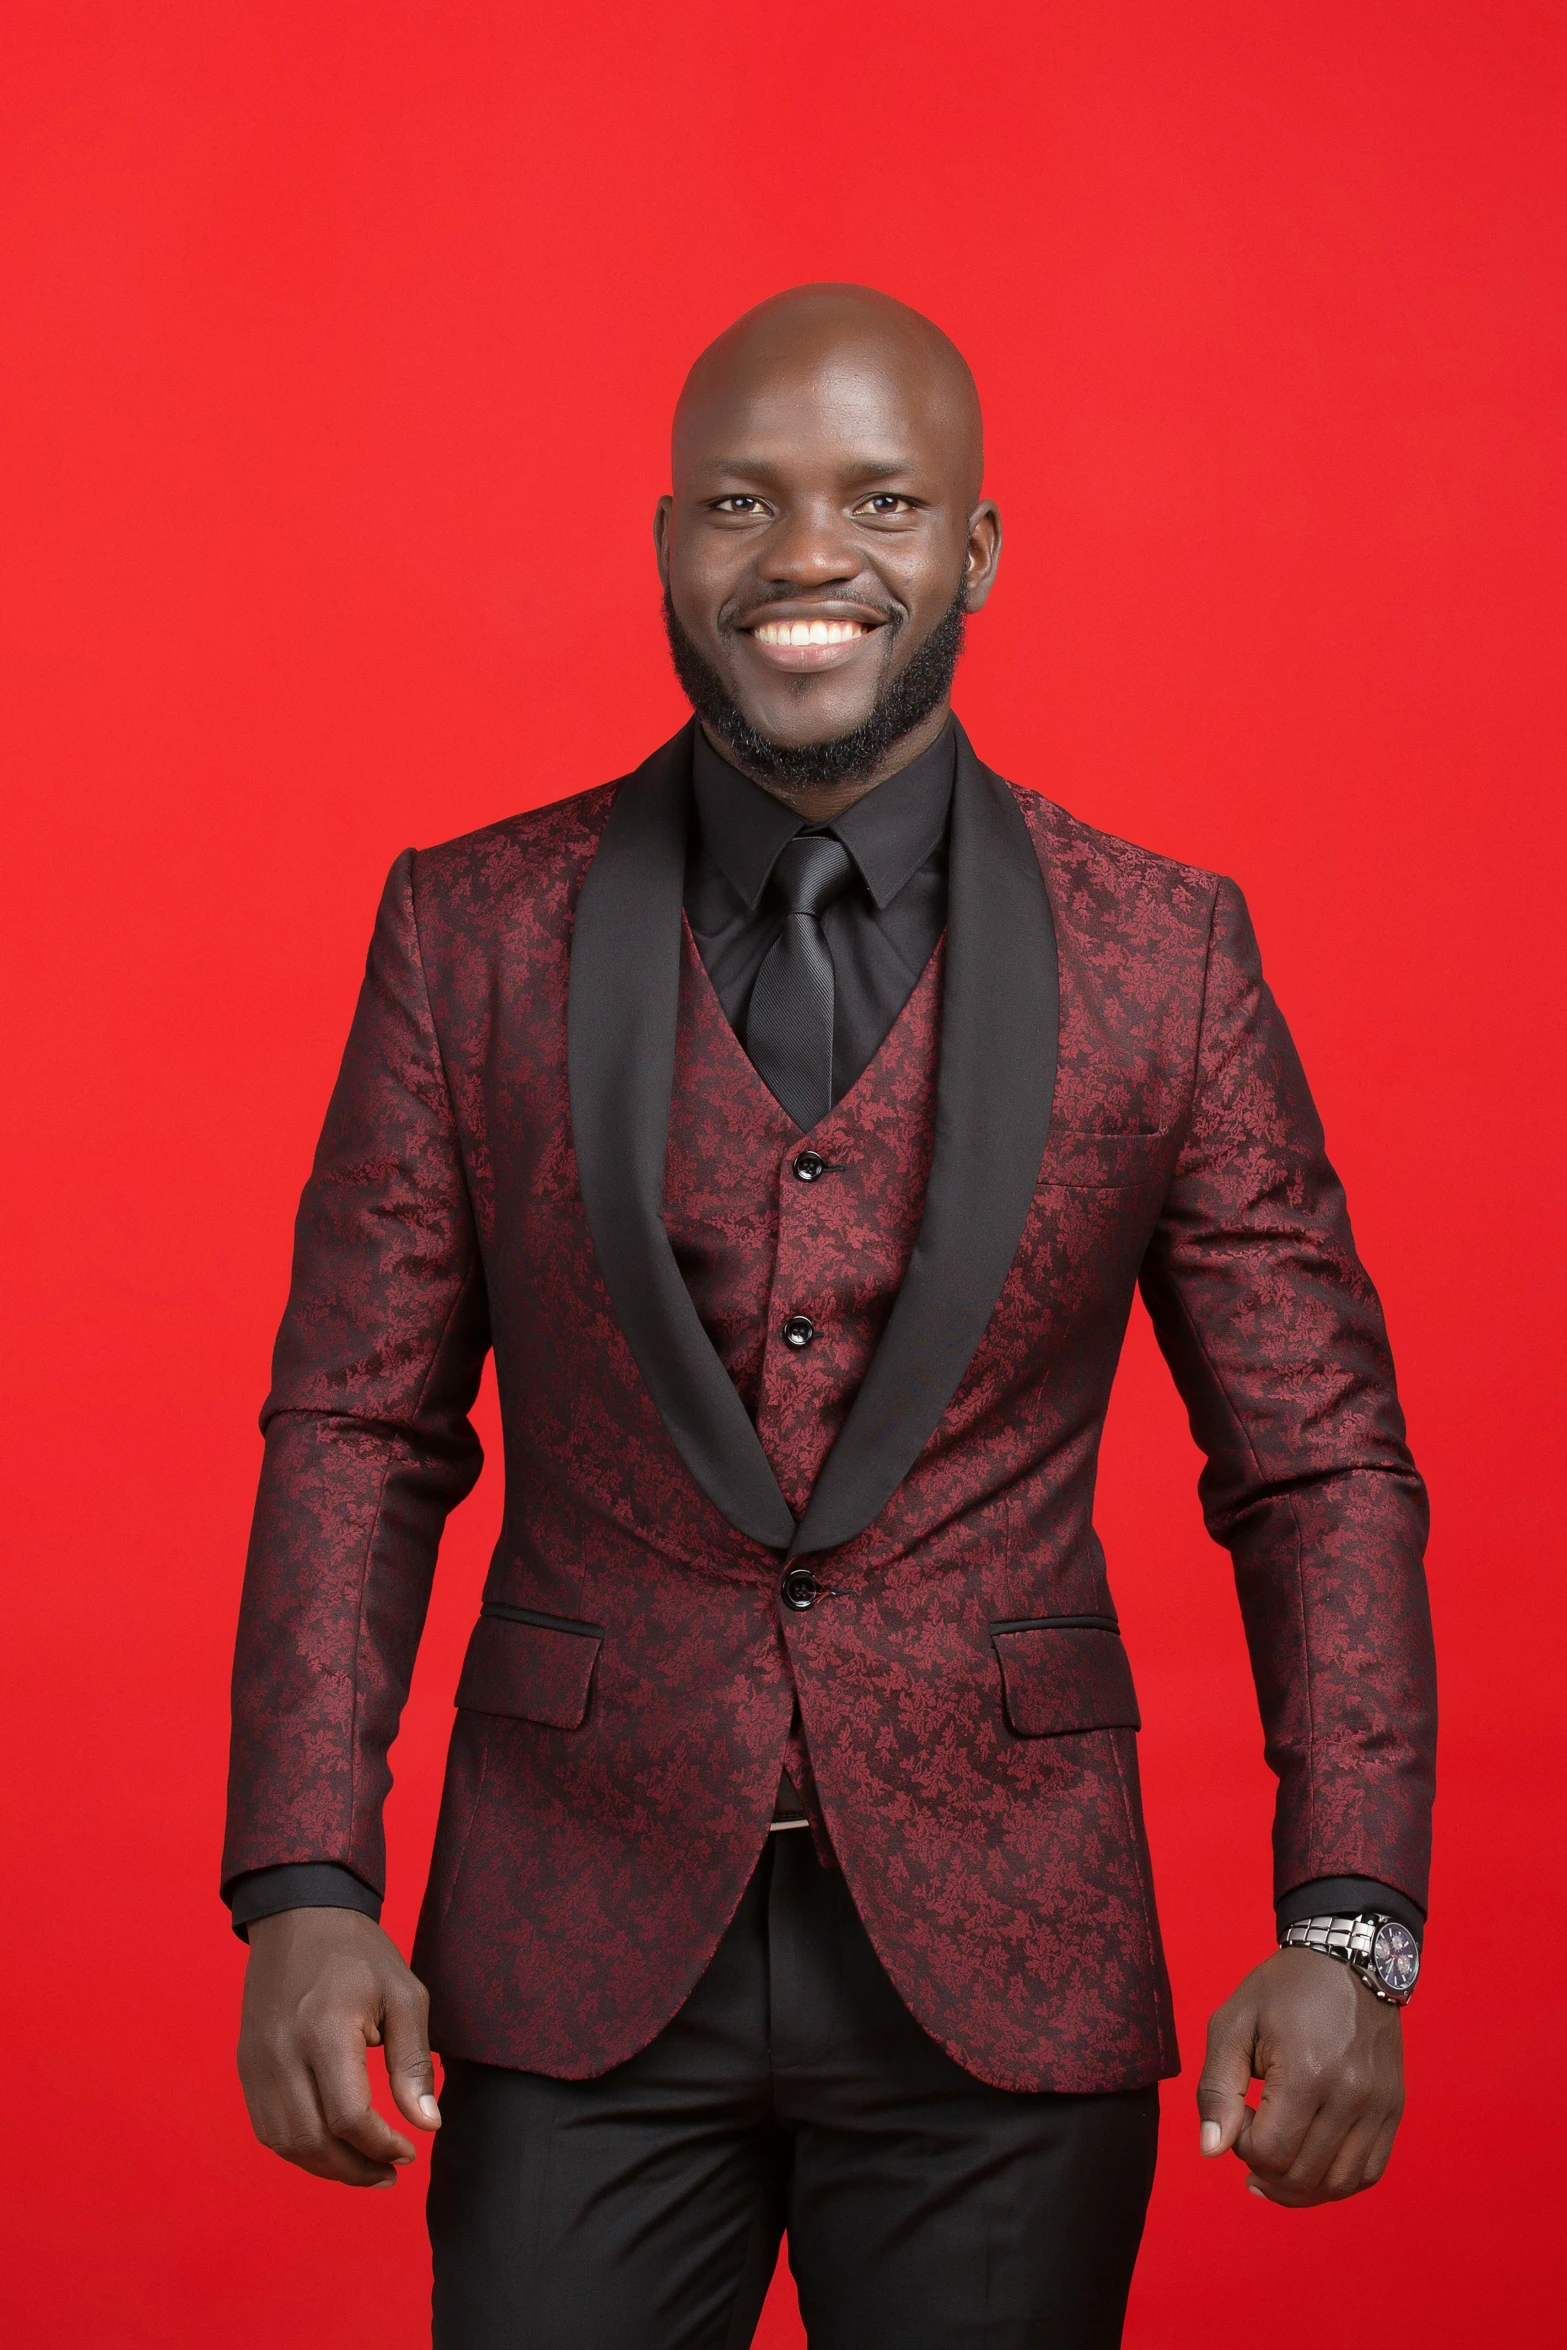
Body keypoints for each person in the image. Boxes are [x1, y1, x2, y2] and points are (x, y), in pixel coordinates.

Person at [224, 284, 1436, 2348]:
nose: (802, 559)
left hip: (1008, 1968)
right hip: (568, 1954)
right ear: (666, 538)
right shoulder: (470, 930)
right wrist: (308, 1884)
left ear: (974, 547)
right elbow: (359, 1425)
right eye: (738, 502)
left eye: (879, 499)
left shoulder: (1169, 956)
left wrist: (1352, 1915)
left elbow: (1318, 1455)